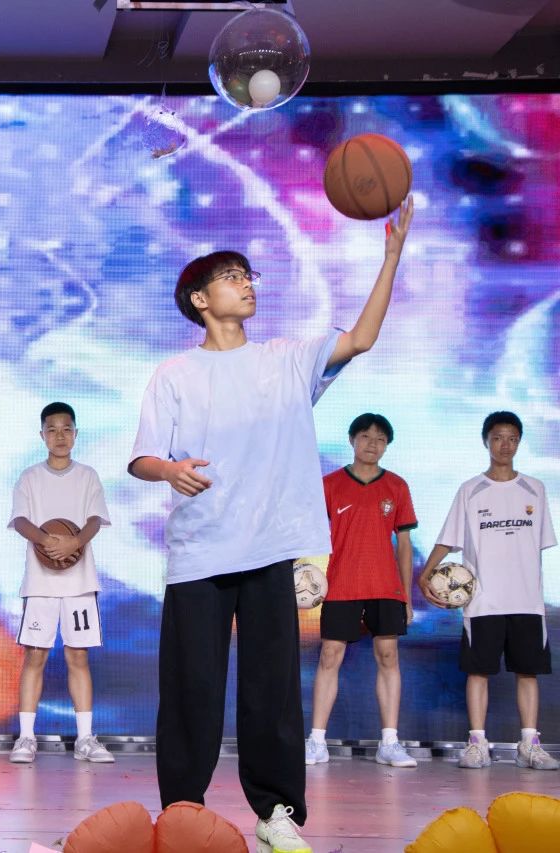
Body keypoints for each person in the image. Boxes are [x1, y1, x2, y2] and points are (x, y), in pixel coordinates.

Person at [126, 198, 413, 853]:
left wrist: (392, 255)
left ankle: (277, 812)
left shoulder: (287, 359)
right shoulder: (174, 374)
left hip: (270, 550)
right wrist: (168, 469)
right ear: (200, 299)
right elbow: (143, 457)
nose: (247, 284)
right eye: (232, 277)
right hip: (200, 552)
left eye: (249, 275)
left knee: (272, 690)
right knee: (192, 688)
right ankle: (182, 810)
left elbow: (361, 338)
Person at [418, 411, 557, 772]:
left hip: (526, 600)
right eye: (498, 437)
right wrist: (426, 573)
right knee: (477, 672)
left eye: (512, 438)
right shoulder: (471, 490)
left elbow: (539, 545)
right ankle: (477, 743)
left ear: (519, 442)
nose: (505, 445)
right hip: (482, 601)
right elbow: (448, 538)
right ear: (486, 442)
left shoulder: (535, 489)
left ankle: (529, 745)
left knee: (527, 673)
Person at [305, 413, 418, 768]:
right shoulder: (329, 484)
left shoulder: (396, 486)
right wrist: (304, 578)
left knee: (388, 657)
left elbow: (404, 546)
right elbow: (306, 532)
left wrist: (406, 596)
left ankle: (390, 743)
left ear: (387, 446)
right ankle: (316, 741)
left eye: (381, 439)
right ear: (352, 440)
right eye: (366, 436)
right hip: (342, 584)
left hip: (385, 587)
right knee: (329, 657)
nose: (373, 444)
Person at [8, 402, 113, 764]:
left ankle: (85, 739)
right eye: (52, 430)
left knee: (77, 656)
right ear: (42, 435)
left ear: (75, 434)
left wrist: (75, 542)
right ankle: (25, 738)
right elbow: (20, 520)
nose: (60, 436)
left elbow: (95, 519)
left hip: (79, 583)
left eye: (66, 429)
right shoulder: (29, 477)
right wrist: (46, 540)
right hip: (40, 583)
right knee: (35, 655)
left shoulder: (87, 476)